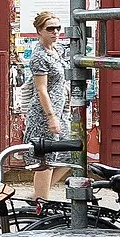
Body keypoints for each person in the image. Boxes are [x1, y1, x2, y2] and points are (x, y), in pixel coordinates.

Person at [23, 12, 72, 204]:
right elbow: (41, 89)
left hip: (61, 112)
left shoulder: (57, 50)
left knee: (71, 155)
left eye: (58, 28)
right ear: (39, 31)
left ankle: (38, 195)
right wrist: (51, 117)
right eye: (50, 28)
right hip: (44, 114)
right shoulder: (39, 56)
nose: (55, 32)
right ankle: (41, 200)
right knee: (46, 159)